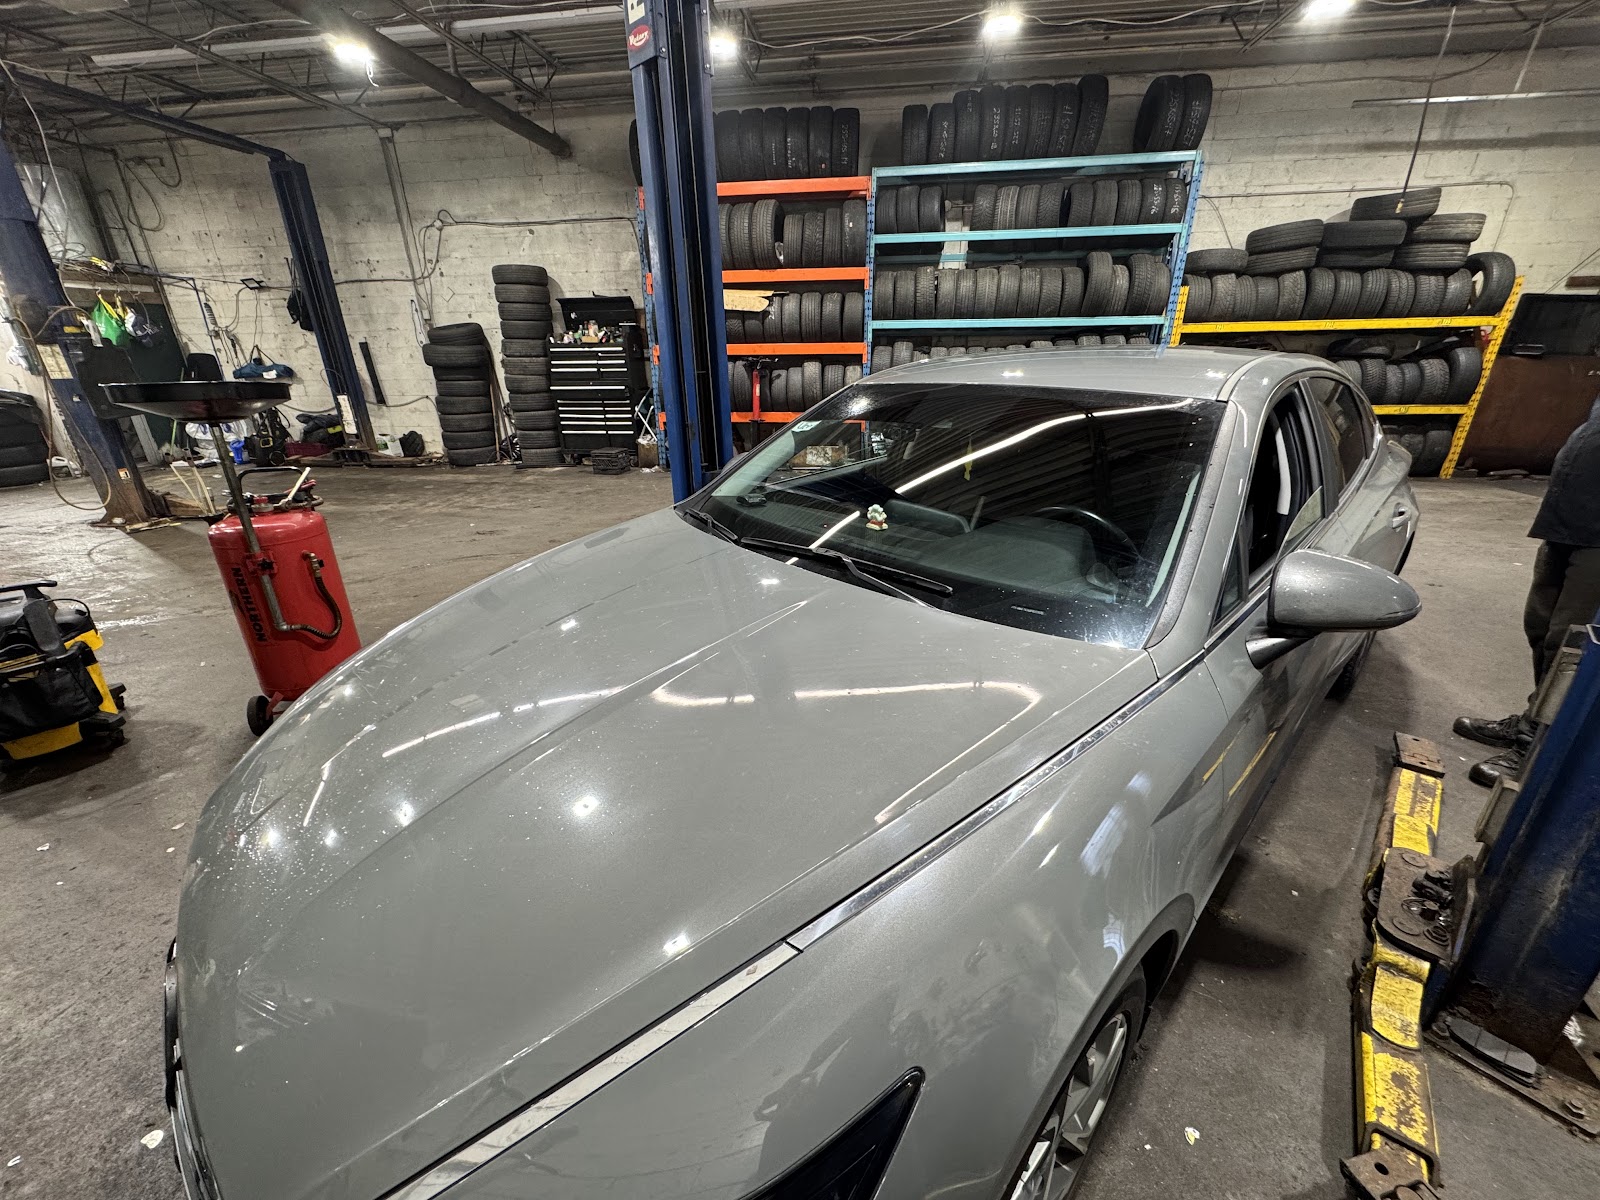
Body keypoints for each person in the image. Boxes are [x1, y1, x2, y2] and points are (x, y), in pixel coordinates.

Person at [1456, 395, 1600, 786]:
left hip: (1597, 541)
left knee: (1571, 647)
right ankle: (1535, 720)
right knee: (1540, 628)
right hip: (1566, 523)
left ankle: (1540, 747)